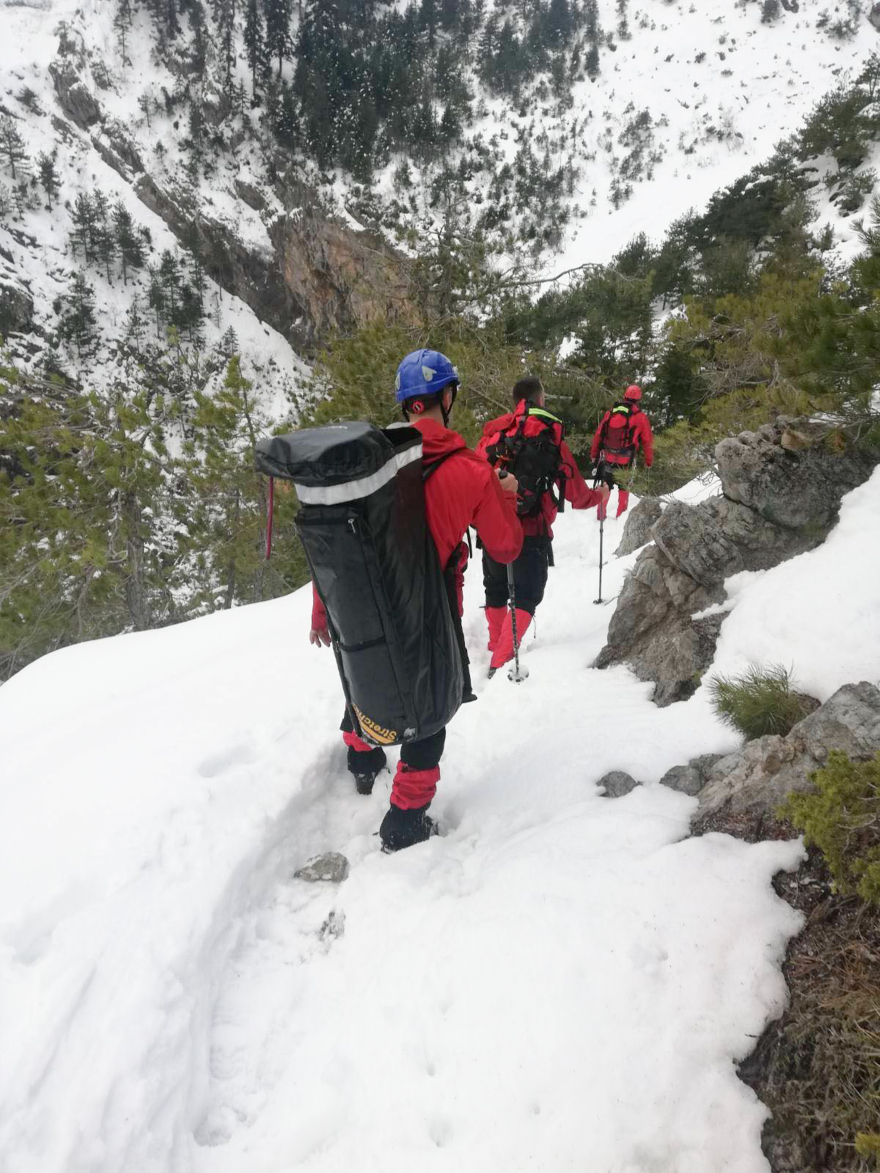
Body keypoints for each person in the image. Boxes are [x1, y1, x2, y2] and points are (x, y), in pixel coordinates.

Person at [309, 349, 523, 852]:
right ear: (446, 397)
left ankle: (363, 759)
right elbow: (506, 547)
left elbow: (340, 548)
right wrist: (507, 494)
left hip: (360, 606)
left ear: (406, 404)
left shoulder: (367, 463)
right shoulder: (471, 470)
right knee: (429, 714)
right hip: (431, 610)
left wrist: (322, 612)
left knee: (369, 672)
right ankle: (404, 821)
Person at [476, 377, 609, 676]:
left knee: (495, 589)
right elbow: (576, 494)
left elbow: (473, 475)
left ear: (515, 401)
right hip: (531, 530)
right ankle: (500, 661)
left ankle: (495, 645)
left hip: (494, 528)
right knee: (527, 594)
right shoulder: (549, 436)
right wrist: (599, 495)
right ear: (540, 399)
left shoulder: (494, 434)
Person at [590, 384, 654, 519]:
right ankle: (620, 517)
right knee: (624, 488)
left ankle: (600, 515)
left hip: (607, 457)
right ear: (638, 399)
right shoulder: (640, 417)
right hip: (626, 460)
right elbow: (647, 441)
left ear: (625, 396)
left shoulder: (611, 413)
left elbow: (598, 435)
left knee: (605, 485)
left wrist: (594, 455)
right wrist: (649, 461)